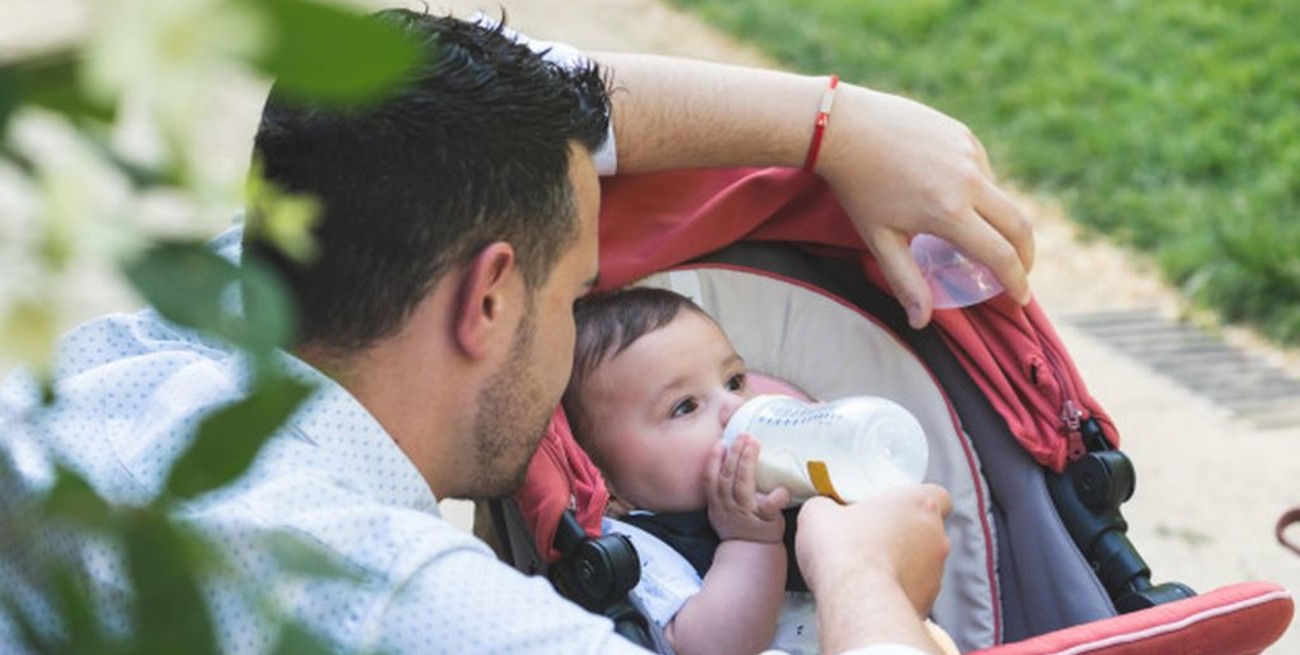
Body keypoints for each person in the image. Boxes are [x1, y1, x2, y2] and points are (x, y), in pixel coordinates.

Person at [0, 8, 1008, 655]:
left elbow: (513, 84)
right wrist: (865, 579)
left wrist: (839, 127)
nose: (572, 334)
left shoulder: (242, 300)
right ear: (488, 299)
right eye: (573, 297)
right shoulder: (401, 607)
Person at [562, 287, 958, 655]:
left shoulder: (781, 481)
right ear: (604, 482)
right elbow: (710, 649)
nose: (734, 408)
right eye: (685, 406)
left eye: (734, 381)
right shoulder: (635, 548)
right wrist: (748, 542)